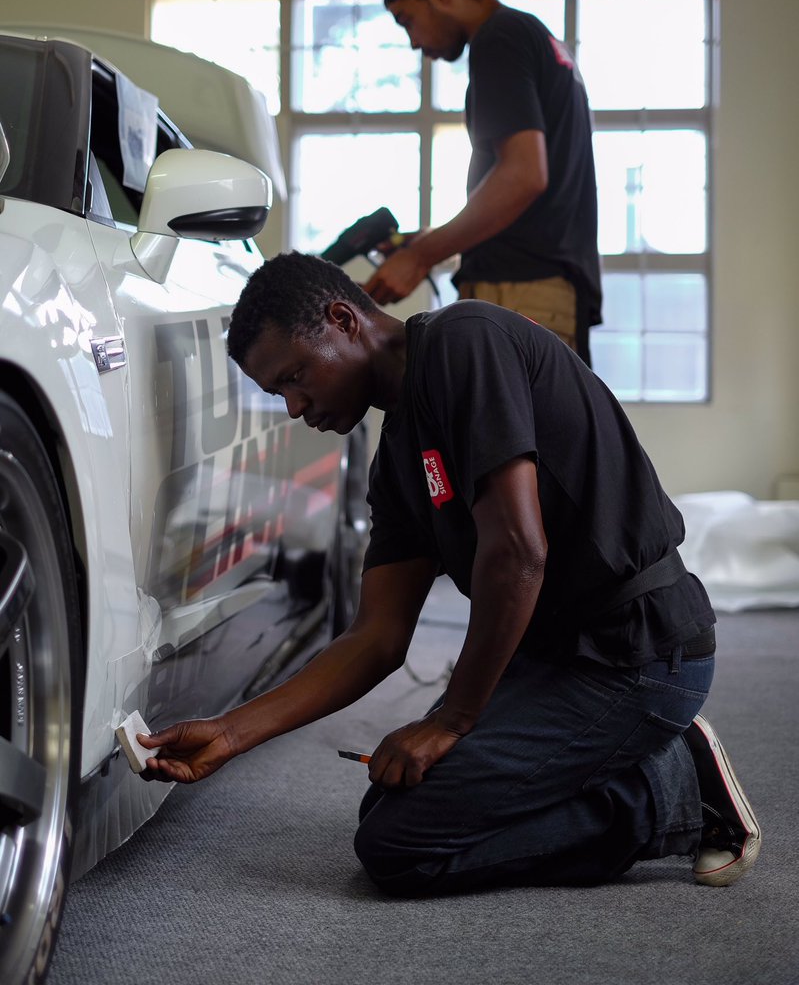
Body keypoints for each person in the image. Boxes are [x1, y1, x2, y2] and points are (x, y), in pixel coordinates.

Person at [139, 253, 761, 897]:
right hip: (554, 658)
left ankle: (673, 792)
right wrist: (230, 733)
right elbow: (376, 639)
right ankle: (622, 759)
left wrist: (453, 719)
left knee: (401, 849)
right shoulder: (396, 466)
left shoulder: (466, 342)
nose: (296, 406)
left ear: (343, 319)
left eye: (296, 376)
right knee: (394, 797)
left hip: (640, 653)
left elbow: (519, 550)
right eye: (279, 393)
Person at [364, 0, 601, 367]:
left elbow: (525, 175)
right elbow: (527, 196)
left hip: (522, 293)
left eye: (406, 20)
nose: (414, 42)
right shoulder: (532, 36)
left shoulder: (500, 38)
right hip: (544, 291)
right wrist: (433, 240)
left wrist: (420, 257)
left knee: (509, 435)